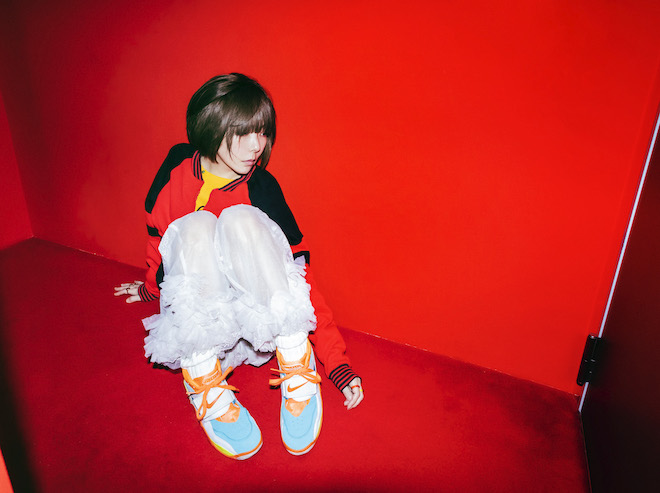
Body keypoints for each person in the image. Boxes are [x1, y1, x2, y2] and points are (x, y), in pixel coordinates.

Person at [115, 73, 363, 460]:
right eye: (243, 132)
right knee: (194, 227)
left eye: (262, 132)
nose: (256, 145)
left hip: (257, 322)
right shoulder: (176, 167)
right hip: (205, 327)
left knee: (240, 218)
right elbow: (160, 244)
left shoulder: (262, 187)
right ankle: (204, 381)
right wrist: (151, 288)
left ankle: (297, 366)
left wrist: (336, 362)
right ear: (210, 126)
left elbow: (298, 273)